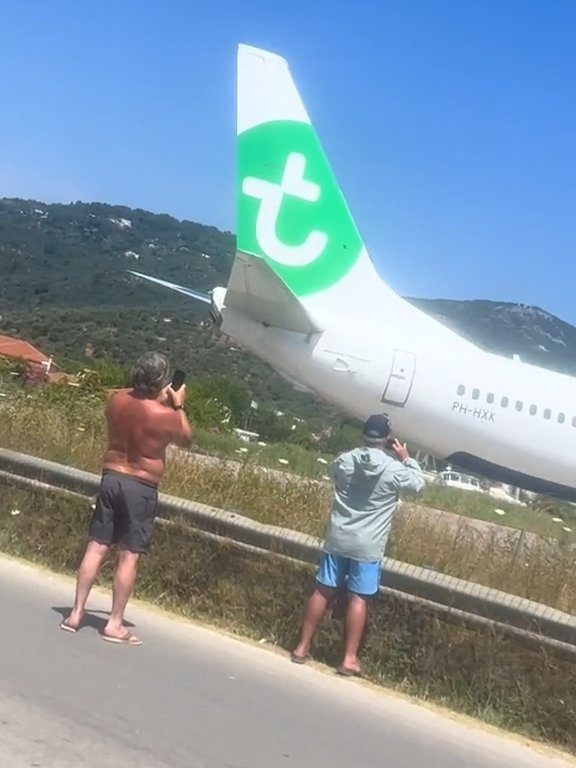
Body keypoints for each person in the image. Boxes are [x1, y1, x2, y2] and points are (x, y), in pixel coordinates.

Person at [60, 352, 193, 645]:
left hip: (111, 476)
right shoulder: (166, 415)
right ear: (162, 381)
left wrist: (156, 398)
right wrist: (178, 404)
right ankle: (115, 623)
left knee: (96, 546)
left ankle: (75, 613)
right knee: (128, 555)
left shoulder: (116, 401)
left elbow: (135, 413)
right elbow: (185, 438)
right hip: (141, 484)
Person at [291, 413, 425, 675]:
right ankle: (349, 658)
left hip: (338, 537)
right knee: (358, 597)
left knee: (323, 589)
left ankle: (301, 647)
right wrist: (406, 458)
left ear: (364, 434)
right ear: (387, 439)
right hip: (368, 545)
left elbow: (335, 474)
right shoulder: (393, 469)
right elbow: (418, 485)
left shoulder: (346, 459)